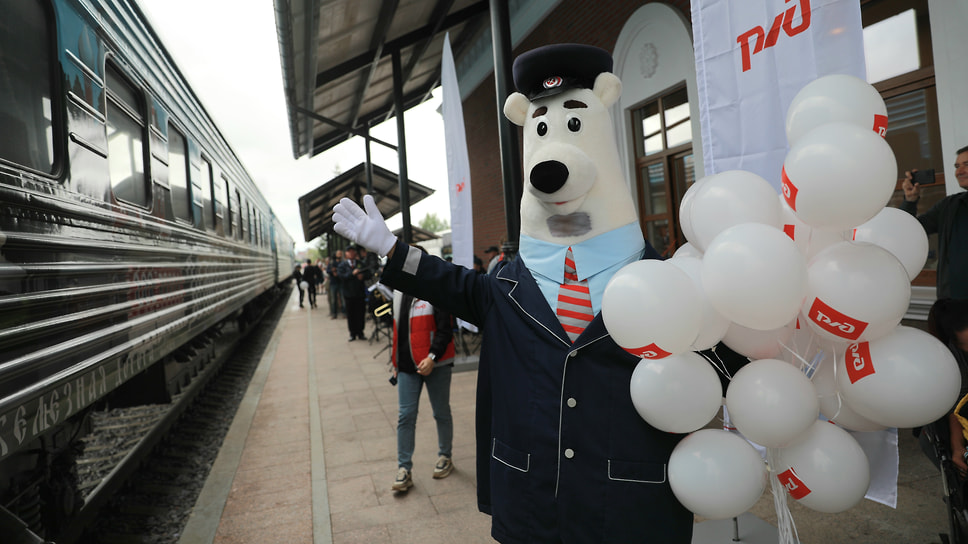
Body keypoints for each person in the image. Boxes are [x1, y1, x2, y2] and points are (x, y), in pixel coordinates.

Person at [389, 248, 457, 492]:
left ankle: (445, 456)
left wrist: (431, 357)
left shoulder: (436, 290)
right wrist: (395, 363)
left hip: (435, 363)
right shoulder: (399, 292)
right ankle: (404, 469)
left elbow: (445, 330)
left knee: (441, 412)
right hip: (407, 365)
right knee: (405, 416)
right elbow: (398, 332)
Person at [900, 145, 968, 301]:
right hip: (954, 307)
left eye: (967, 165)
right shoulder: (950, 206)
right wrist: (910, 201)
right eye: (957, 166)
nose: (959, 171)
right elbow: (910, 231)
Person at [338, 245, 371, 341]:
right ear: (346, 254)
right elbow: (341, 276)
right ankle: (352, 333)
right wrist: (352, 274)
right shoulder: (342, 265)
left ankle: (360, 332)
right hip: (348, 294)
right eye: (349, 252)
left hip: (360, 293)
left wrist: (363, 276)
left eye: (353, 251)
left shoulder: (361, 263)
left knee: (360, 313)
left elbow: (369, 274)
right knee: (351, 314)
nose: (351, 253)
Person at [327, 250, 344, 319]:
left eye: (341, 254)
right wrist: (332, 271)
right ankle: (334, 314)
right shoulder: (332, 263)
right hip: (333, 283)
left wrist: (337, 271)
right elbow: (328, 270)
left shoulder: (343, 263)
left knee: (343, 299)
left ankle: (344, 313)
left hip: (341, 282)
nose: (340, 255)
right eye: (338, 254)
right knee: (333, 299)